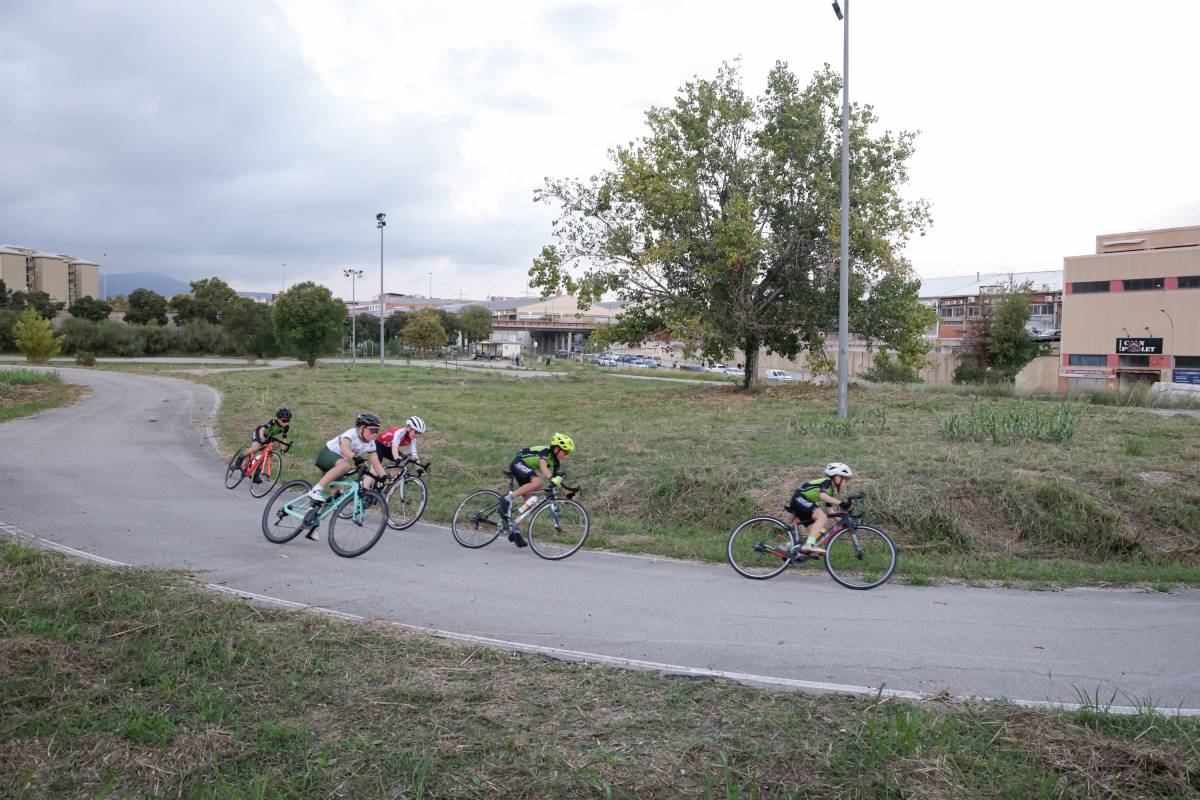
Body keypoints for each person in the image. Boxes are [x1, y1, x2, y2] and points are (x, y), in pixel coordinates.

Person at [497, 433, 575, 548]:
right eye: (565, 452)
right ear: (557, 449)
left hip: (526, 471)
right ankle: (506, 499)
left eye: (568, 453)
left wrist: (567, 494)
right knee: (537, 482)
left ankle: (515, 531)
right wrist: (552, 479)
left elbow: (557, 482)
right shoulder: (546, 451)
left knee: (531, 504)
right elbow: (543, 467)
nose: (566, 455)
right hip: (519, 463)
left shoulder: (555, 462)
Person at [306, 412, 386, 503]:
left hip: (337, 466)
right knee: (345, 466)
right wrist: (356, 457)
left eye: (377, 431)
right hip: (326, 455)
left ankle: (313, 511)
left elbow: (376, 463)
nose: (375, 434)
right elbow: (344, 449)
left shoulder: (371, 443)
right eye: (372, 430)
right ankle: (316, 490)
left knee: (339, 496)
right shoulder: (351, 434)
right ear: (362, 428)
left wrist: (384, 477)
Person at [785, 462, 854, 556]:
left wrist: (844, 521)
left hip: (804, 503)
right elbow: (822, 496)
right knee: (822, 516)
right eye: (845, 480)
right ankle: (809, 545)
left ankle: (789, 548)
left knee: (815, 531)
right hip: (799, 499)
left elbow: (830, 510)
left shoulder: (830, 492)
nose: (846, 483)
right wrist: (841, 503)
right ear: (837, 477)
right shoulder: (827, 482)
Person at [236, 407, 291, 482]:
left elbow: (284, 439)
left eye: (288, 421)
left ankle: (256, 475)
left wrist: (282, 449)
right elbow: (262, 429)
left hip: (268, 437)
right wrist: (261, 436)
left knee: (266, 455)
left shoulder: (286, 427)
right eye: (284, 420)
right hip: (260, 432)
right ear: (278, 418)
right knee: (255, 448)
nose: (286, 423)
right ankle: (239, 460)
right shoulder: (273, 421)